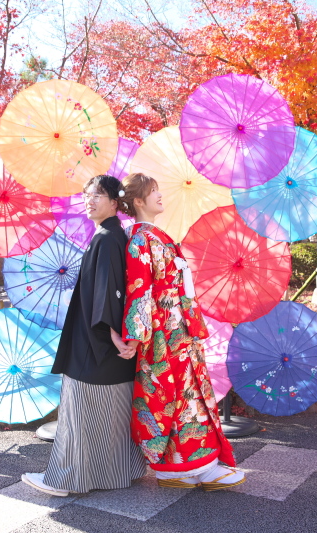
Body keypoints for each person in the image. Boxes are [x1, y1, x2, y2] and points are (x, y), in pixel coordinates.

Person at [22, 175, 147, 497]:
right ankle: (122, 472)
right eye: (87, 195)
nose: (89, 200)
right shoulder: (115, 235)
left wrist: (111, 333)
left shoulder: (107, 238)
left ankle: (64, 481)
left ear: (115, 203)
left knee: (78, 417)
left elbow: (109, 292)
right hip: (111, 345)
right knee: (112, 420)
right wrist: (119, 333)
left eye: (97, 195)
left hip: (96, 344)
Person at [120, 172, 245, 491]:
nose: (160, 195)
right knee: (177, 394)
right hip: (162, 331)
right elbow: (139, 289)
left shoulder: (154, 234)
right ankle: (197, 467)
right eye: (153, 191)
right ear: (138, 201)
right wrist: (135, 335)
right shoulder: (139, 238)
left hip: (177, 326)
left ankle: (182, 467)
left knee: (187, 391)